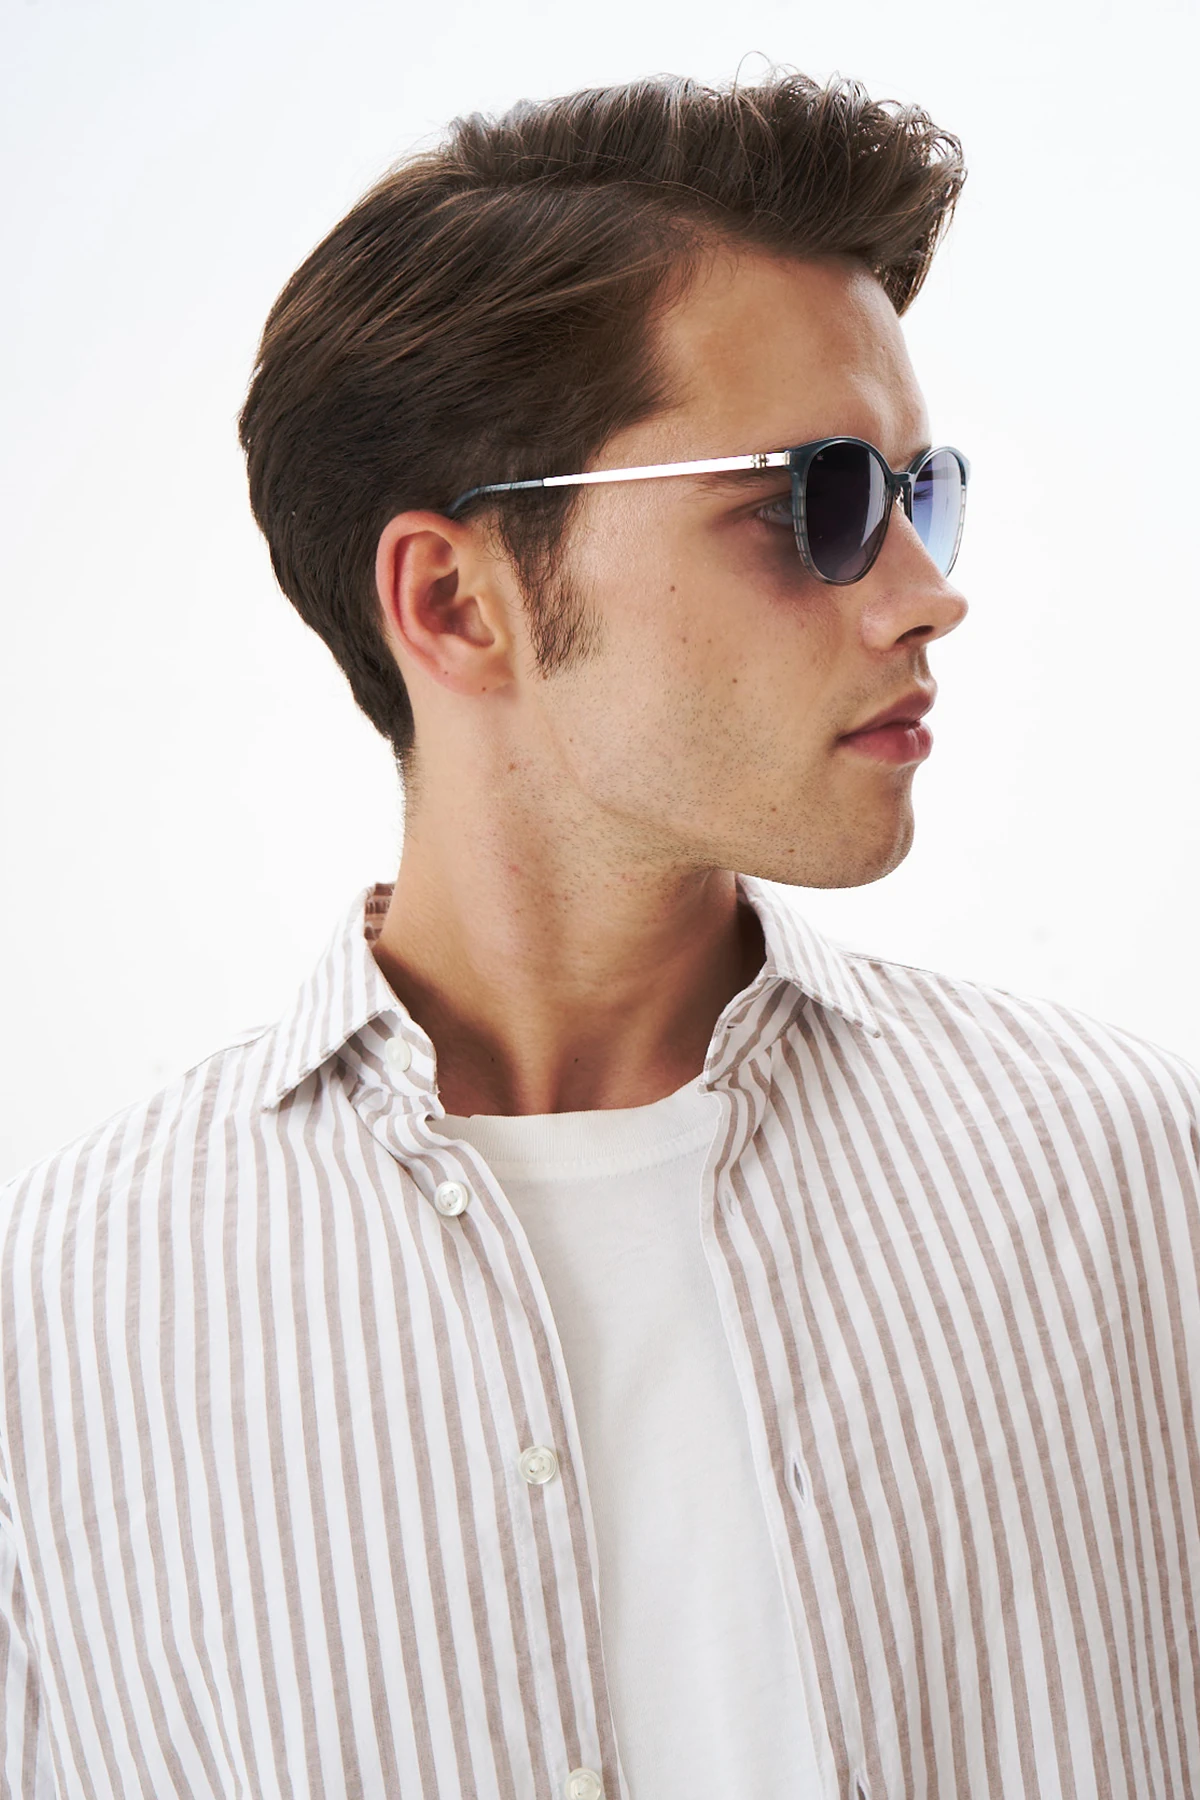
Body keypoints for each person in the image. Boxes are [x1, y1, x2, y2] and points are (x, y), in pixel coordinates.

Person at [1, 66, 1197, 1800]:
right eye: (813, 501)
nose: (928, 593)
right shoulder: (72, 1308)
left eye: (914, 493)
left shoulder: (1119, 1179)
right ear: (454, 602)